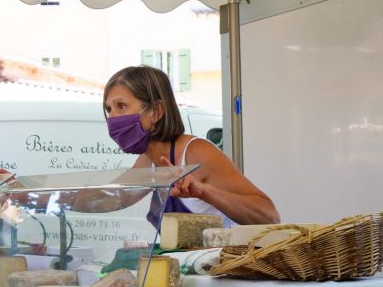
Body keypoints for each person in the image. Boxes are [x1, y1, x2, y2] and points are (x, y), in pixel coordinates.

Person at [104, 65, 279, 226]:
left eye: (121, 106)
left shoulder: (197, 152)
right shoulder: (147, 159)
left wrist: (204, 192)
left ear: (156, 111)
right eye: (109, 109)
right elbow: (113, 198)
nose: (112, 118)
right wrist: (77, 200)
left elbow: (268, 215)